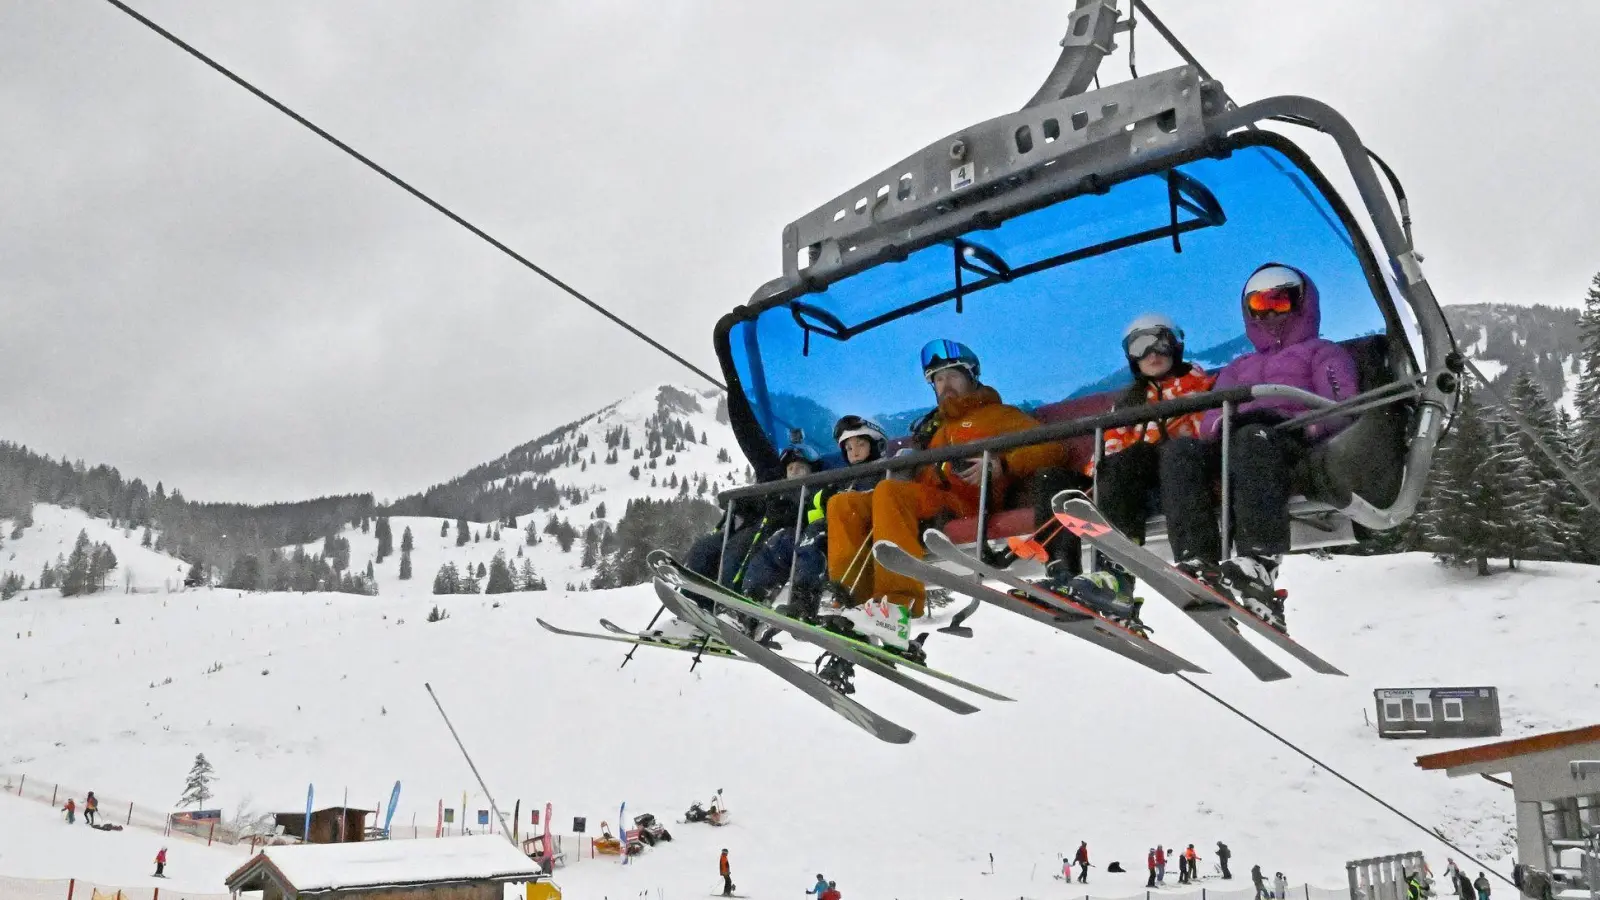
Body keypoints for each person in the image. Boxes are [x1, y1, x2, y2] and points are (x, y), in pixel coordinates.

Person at [825, 339, 1065, 655]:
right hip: (928, 502)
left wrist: (1000, 464)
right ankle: (851, 602)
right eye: (938, 380)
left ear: (971, 376)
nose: (945, 385)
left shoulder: (998, 415)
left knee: (890, 493)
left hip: (966, 506)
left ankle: (895, 607)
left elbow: (1051, 448)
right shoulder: (938, 430)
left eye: (952, 376)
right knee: (843, 503)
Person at [1162, 263, 1359, 631]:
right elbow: (1208, 417)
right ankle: (1197, 558)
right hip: (1237, 438)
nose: (1268, 312)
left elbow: (1340, 405)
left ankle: (1260, 563)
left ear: (1301, 304)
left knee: (1252, 440)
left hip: (1287, 436)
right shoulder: (1239, 367)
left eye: (1279, 302)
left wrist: (1309, 425)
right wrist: (1220, 425)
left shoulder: (1323, 353)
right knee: (1180, 452)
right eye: (1259, 304)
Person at [774, 417, 888, 621]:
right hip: (837, 527)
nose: (854, 451)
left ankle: (848, 597)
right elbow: (818, 509)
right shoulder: (842, 478)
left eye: (861, 444)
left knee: (822, 533)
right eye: (849, 447)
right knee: (810, 540)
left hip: (867, 526)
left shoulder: (883, 471)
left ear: (877, 444)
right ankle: (804, 601)